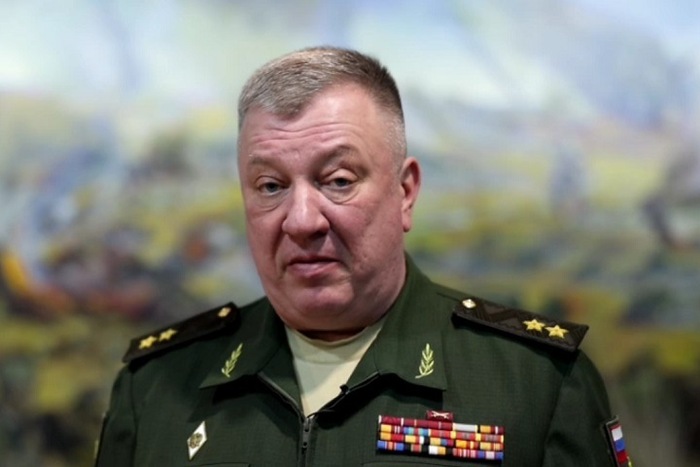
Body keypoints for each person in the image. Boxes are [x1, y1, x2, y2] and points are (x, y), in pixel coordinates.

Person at [95, 46, 630, 466]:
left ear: (405, 192)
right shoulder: (156, 388)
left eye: (338, 180)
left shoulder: (534, 383)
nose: (302, 220)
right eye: (270, 186)